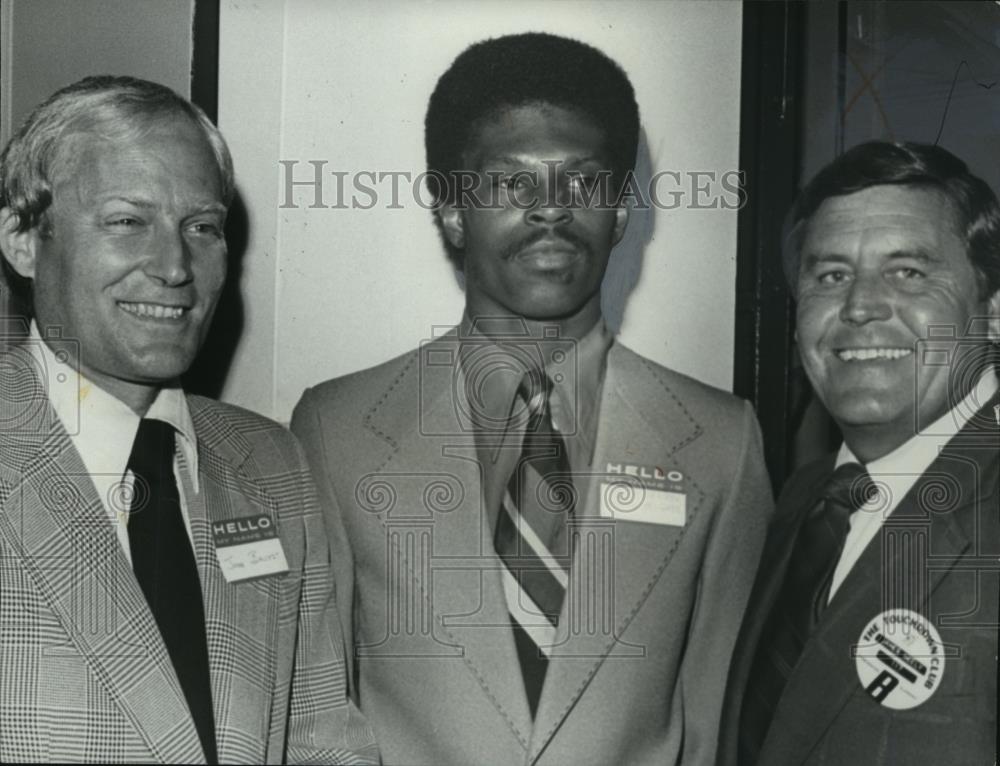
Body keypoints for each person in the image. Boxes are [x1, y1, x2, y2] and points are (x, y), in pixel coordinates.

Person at [291, 32, 772, 766]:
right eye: (511, 184)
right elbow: (319, 717)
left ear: (619, 211)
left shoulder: (721, 440)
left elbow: (718, 723)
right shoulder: (338, 428)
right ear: (452, 212)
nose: (552, 211)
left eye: (583, 183)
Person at [0, 76, 377, 764]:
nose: (176, 267)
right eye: (126, 222)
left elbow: (322, 741)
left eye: (201, 227)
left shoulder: (272, 464)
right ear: (23, 239)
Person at [718, 141, 1000, 765]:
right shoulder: (802, 501)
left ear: (994, 310)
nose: (860, 306)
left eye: (909, 272)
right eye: (831, 276)